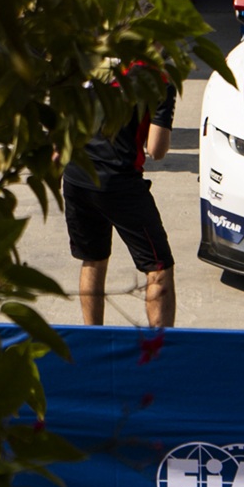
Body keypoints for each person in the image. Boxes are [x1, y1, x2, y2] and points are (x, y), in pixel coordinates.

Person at [64, 71, 177, 328]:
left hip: (76, 175)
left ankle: (93, 340)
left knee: (93, 258)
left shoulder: (94, 65)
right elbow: (156, 149)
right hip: (119, 182)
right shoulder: (159, 80)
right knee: (158, 266)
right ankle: (160, 349)